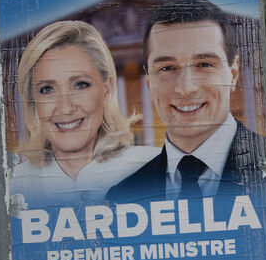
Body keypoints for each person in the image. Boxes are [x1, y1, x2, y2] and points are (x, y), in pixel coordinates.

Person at [106, 0, 266, 202]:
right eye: (167, 68)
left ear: (233, 74)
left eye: (204, 64)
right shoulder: (121, 197)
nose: (186, 88)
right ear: (149, 83)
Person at [8, 20, 158, 205]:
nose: (65, 108)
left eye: (80, 85)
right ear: (32, 101)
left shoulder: (156, 170)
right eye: (47, 89)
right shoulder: (12, 188)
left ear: (107, 88)